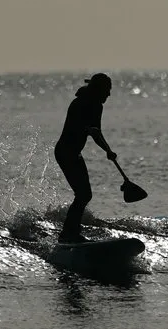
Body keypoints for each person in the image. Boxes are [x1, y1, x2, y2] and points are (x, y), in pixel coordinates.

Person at [55, 73, 117, 243]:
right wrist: (87, 129)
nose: (109, 95)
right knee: (83, 194)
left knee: (85, 194)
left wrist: (108, 150)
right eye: (107, 90)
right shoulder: (79, 103)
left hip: (75, 153)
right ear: (98, 90)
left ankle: (70, 232)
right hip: (65, 152)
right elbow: (79, 128)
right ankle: (68, 234)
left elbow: (97, 132)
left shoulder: (97, 106)